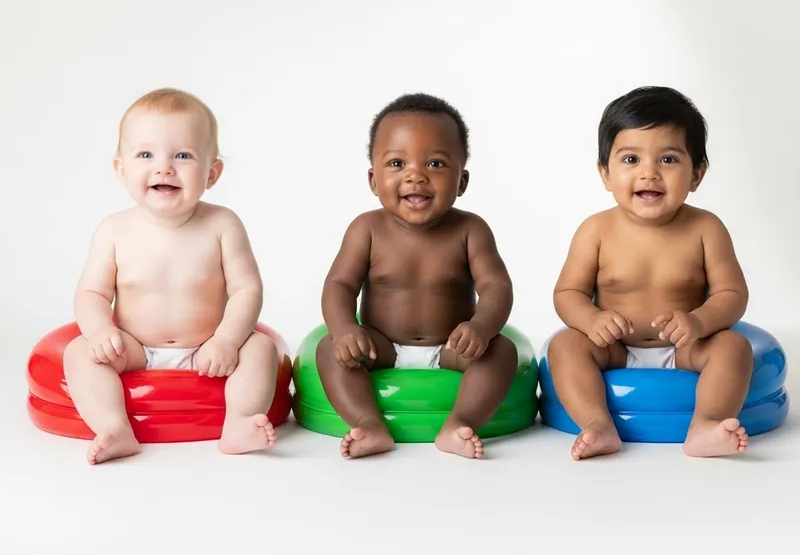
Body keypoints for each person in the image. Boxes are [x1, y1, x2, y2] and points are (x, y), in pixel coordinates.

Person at [64, 88, 278, 464]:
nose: (163, 167)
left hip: (207, 347)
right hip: (135, 348)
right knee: (79, 352)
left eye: (183, 155)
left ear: (212, 173)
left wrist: (227, 341)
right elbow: (92, 293)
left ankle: (240, 422)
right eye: (145, 155)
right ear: (122, 169)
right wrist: (100, 331)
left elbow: (247, 289)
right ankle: (114, 427)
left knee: (260, 348)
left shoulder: (223, 224)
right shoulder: (114, 230)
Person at [549, 86, 752, 460]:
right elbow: (568, 293)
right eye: (630, 159)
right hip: (615, 349)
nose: (649, 173)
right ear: (605, 173)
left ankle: (705, 424)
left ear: (697, 174)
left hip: (685, 348)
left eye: (669, 160)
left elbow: (731, 294)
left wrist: (698, 321)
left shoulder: (706, 229)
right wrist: (592, 319)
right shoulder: (595, 230)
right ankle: (598, 424)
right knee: (564, 345)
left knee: (734, 347)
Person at [316, 93, 518, 459]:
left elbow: (495, 286)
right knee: (330, 349)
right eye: (397, 162)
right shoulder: (366, 229)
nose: (416, 176)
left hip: (451, 348)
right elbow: (339, 285)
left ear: (462, 182)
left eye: (436, 164)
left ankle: (460, 422)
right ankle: (368, 424)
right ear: (373, 180)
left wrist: (482, 326)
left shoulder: (471, 230)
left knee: (502, 350)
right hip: (382, 345)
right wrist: (345, 328)